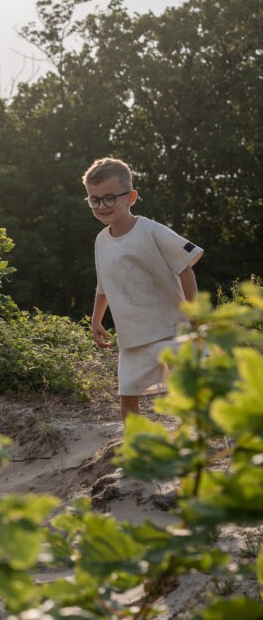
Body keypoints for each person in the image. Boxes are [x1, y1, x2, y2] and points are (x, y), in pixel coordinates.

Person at [82, 157, 203, 422]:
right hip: (133, 336)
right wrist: (96, 319)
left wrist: (195, 314)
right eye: (95, 199)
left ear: (131, 197)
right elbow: (103, 285)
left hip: (173, 328)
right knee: (128, 396)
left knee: (196, 389)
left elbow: (185, 267)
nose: (102, 206)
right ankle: (137, 449)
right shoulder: (101, 241)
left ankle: (210, 445)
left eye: (110, 198)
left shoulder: (150, 231)